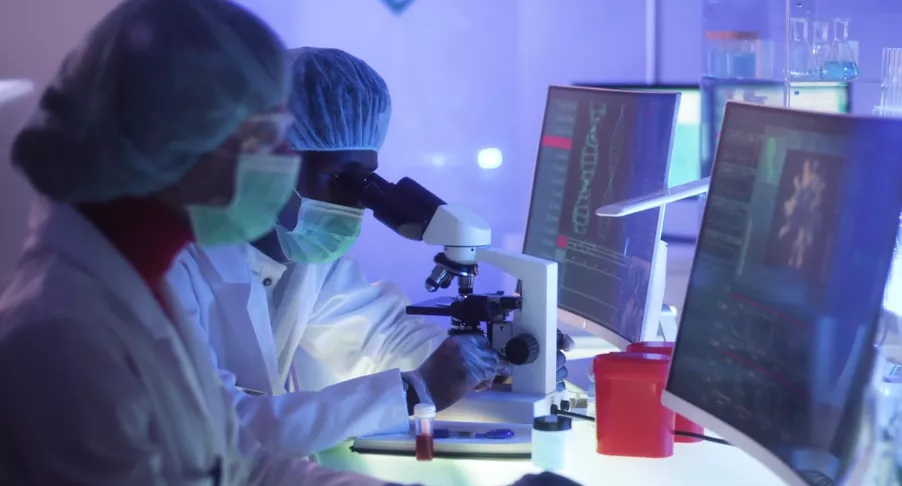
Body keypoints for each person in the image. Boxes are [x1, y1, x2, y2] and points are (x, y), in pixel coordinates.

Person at [0, 1, 439, 484]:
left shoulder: (141, 282)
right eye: (264, 138)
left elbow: (243, 464)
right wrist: (414, 390)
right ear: (176, 139)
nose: (276, 162)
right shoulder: (65, 333)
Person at [165, 46, 574, 457]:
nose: (357, 201)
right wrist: (416, 390)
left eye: (366, 180)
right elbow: (218, 430)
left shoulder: (301, 258)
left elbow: (379, 337)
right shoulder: (169, 265)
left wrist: (493, 362)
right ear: (266, 163)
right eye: (340, 178)